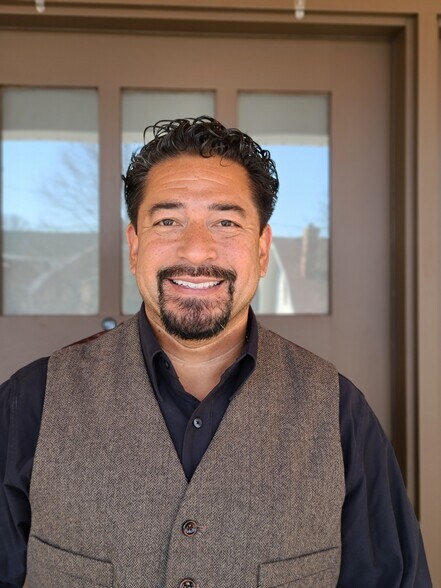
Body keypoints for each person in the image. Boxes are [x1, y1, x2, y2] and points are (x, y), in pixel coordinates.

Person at [0, 116, 431, 588]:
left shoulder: (340, 412)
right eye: (168, 221)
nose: (197, 251)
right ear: (134, 246)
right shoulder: (31, 402)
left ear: (262, 251)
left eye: (225, 222)